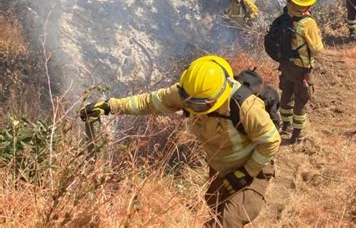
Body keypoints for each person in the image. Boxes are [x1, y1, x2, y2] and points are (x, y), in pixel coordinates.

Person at [80, 55, 281, 227]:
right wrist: (110, 106)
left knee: (228, 221)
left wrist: (246, 173)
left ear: (217, 97)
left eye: (200, 105)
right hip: (220, 169)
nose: (192, 108)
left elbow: (270, 140)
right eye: (188, 101)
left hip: (252, 171)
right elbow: (148, 102)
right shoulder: (189, 94)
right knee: (214, 210)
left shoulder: (245, 106)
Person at [278, 0, 324, 144]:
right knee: (301, 99)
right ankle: (296, 135)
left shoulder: (285, 15)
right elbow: (317, 48)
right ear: (308, 3)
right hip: (301, 69)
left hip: (285, 65)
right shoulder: (308, 23)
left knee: (286, 95)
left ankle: (285, 126)